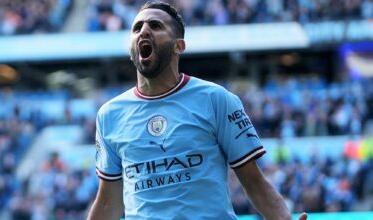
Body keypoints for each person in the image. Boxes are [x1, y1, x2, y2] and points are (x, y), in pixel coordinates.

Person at [87, 2, 308, 220]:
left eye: (155, 25)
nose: (144, 30)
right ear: (130, 48)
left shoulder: (216, 100)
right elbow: (108, 201)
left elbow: (254, 181)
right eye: (137, 28)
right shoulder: (109, 115)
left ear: (179, 46)